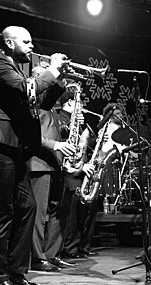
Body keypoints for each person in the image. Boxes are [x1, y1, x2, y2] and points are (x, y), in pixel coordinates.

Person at [0, 26, 70, 285]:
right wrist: (51, 71)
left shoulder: (17, 68)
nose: (31, 45)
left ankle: (16, 274)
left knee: (26, 208)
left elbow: (42, 103)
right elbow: (25, 89)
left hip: (15, 149)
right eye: (25, 41)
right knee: (3, 211)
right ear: (9, 43)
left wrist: (58, 77)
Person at [27, 64, 76, 272]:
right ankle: (37, 258)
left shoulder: (48, 107)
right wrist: (57, 145)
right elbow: (34, 138)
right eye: (43, 76)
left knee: (58, 211)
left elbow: (54, 91)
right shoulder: (32, 104)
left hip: (55, 164)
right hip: (39, 165)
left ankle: (52, 254)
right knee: (38, 215)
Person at [57, 92, 99, 259]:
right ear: (69, 102)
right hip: (68, 171)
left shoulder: (78, 121)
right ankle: (70, 248)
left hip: (81, 168)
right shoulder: (59, 117)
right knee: (73, 211)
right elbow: (62, 140)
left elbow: (82, 146)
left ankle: (83, 245)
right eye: (79, 103)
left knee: (90, 205)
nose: (81, 107)